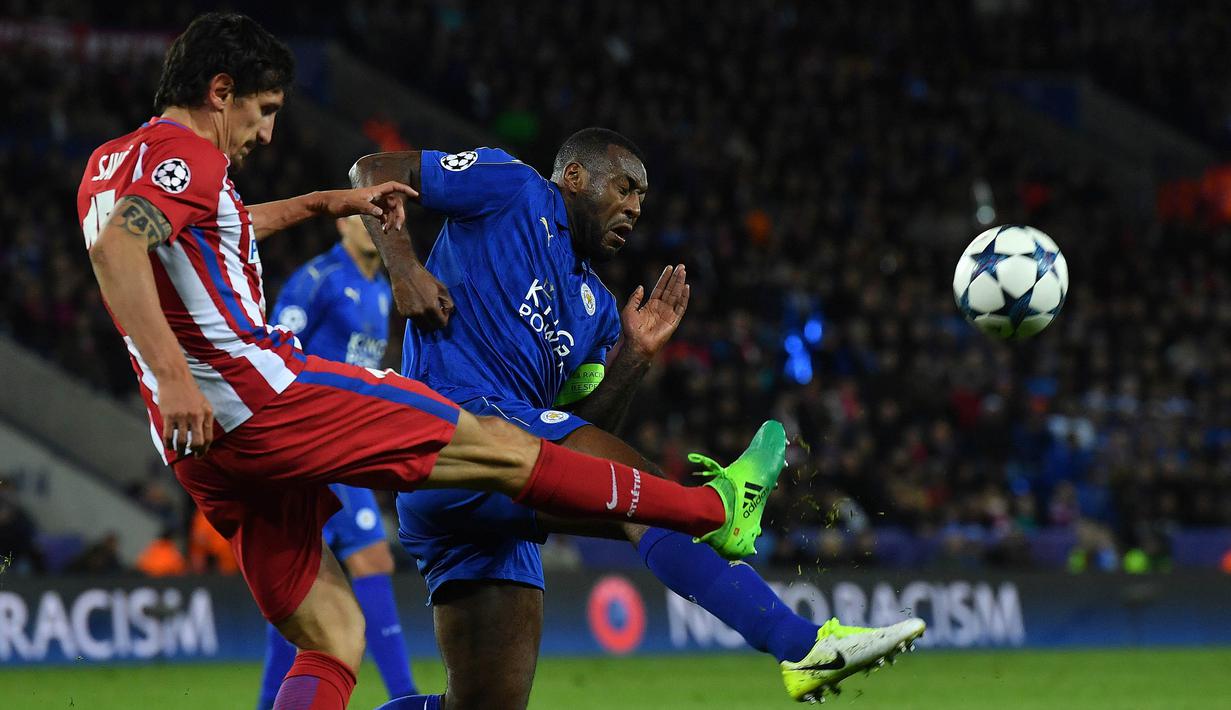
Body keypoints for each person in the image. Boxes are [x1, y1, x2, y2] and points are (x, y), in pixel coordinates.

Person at [77, 14, 780, 710]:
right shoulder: (194, 155)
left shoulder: (110, 162)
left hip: (203, 441)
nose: (265, 135)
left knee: (332, 636)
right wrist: (175, 377)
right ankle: (713, 511)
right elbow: (119, 249)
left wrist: (322, 203)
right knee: (497, 444)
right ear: (219, 91)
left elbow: (211, 223)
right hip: (256, 391)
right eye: (262, 113)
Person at [349, 129, 926, 707]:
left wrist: (632, 357)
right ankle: (797, 639)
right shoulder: (511, 186)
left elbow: (579, 428)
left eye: (643, 200)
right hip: (456, 429)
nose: (634, 207)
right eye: (625, 187)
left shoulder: (597, 311)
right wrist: (403, 269)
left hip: (499, 495)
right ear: (573, 176)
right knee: (646, 500)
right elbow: (371, 171)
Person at [256, 216, 416, 709]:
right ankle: (405, 696)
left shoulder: (381, 287)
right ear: (342, 224)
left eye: (380, 218)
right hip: (309, 441)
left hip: (345, 445)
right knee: (351, 567)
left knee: (313, 584)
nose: (372, 226)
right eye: (361, 217)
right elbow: (274, 349)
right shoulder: (317, 280)